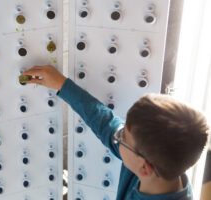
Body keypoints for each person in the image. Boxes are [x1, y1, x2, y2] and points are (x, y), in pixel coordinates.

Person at [23, 65, 210, 200]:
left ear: (144, 168)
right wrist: (63, 85)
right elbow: (106, 123)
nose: (117, 135)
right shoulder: (161, 165)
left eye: (122, 137)